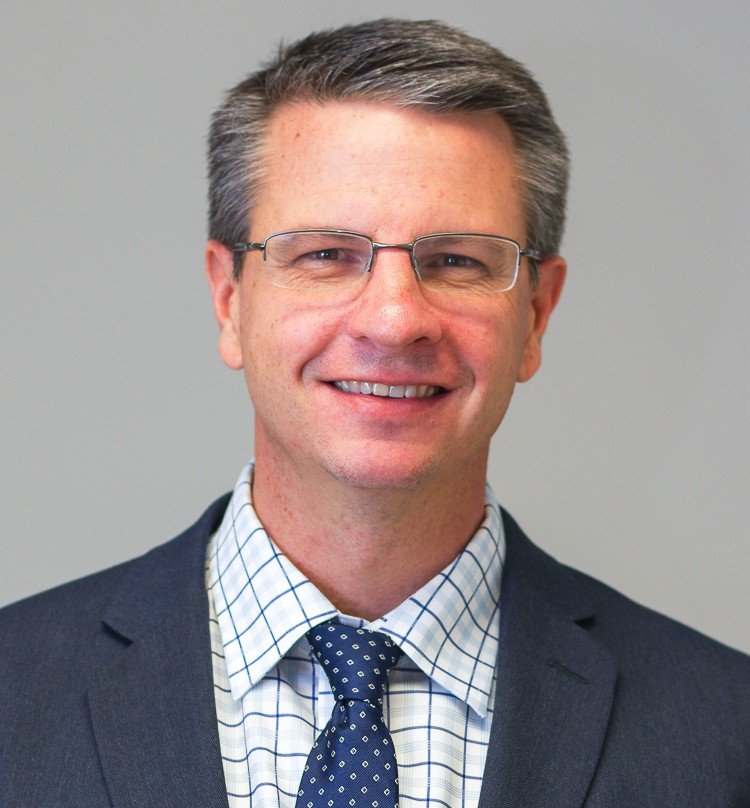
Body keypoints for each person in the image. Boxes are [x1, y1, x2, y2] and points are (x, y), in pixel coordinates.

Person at [1, 18, 748, 808]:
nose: (394, 321)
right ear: (229, 300)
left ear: (537, 314)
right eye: (325, 254)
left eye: (458, 261)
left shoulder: (724, 733)